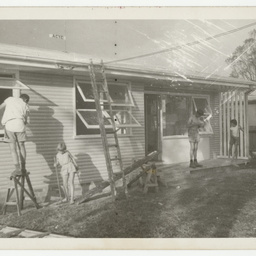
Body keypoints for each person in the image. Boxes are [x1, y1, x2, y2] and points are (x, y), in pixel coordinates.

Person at [0, 94, 30, 176]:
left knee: (13, 148)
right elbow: (26, 121)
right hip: (20, 124)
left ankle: (17, 169)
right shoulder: (25, 105)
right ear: (26, 100)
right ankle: (23, 168)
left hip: (10, 125)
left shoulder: (10, 99)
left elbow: (1, 107)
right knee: (21, 146)